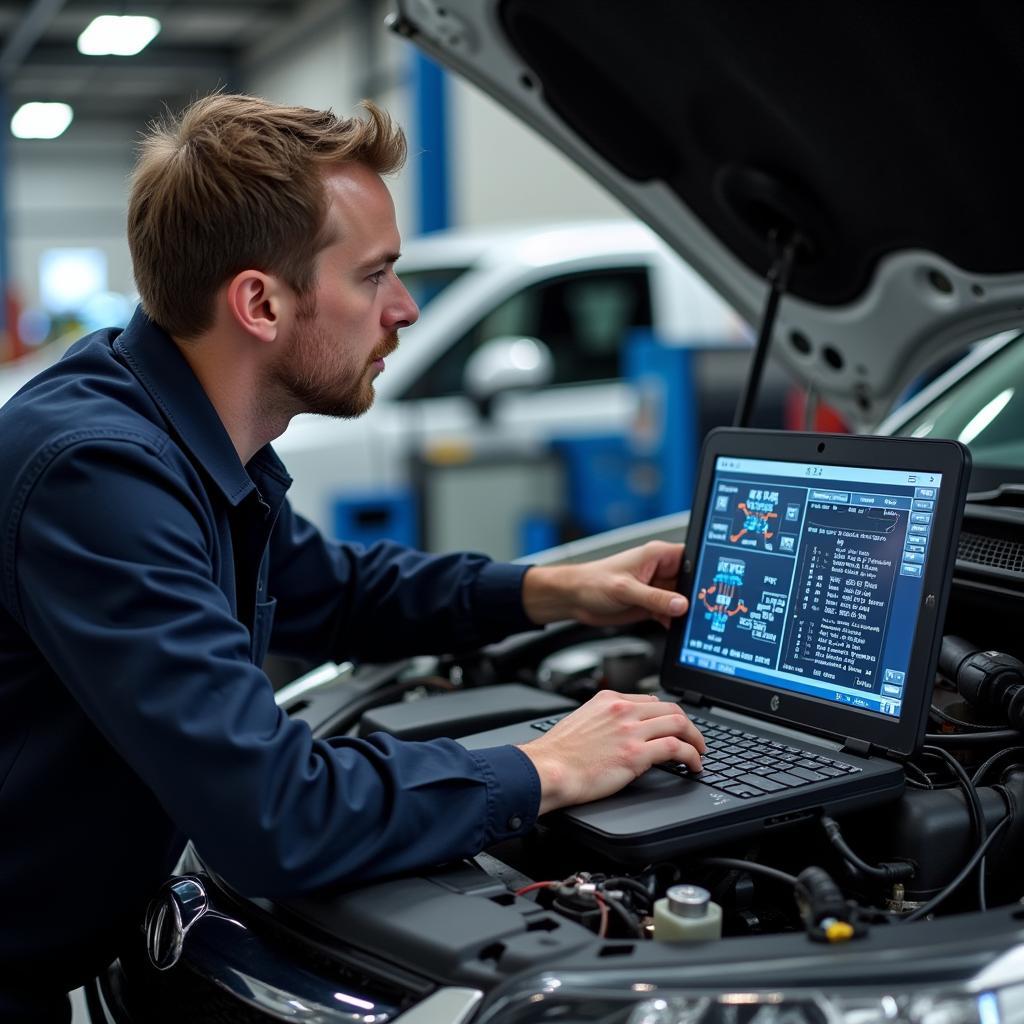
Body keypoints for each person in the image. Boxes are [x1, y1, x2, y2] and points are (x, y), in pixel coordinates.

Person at [0, 94, 704, 1021]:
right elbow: (274, 816)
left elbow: (327, 590)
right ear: (260, 302)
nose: (405, 309)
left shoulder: (178, 436)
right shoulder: (96, 475)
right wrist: (548, 765)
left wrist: (553, 590)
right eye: (375, 276)